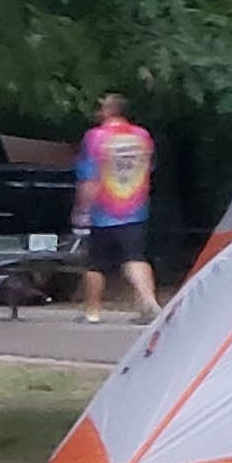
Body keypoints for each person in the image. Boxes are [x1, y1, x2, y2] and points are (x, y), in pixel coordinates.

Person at [73, 90, 158, 324]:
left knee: (96, 264)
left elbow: (90, 179)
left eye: (101, 107)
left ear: (109, 110)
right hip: (135, 208)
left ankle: (92, 312)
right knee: (135, 257)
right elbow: (147, 170)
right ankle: (148, 300)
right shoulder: (142, 136)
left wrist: (82, 211)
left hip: (103, 211)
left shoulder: (96, 137)